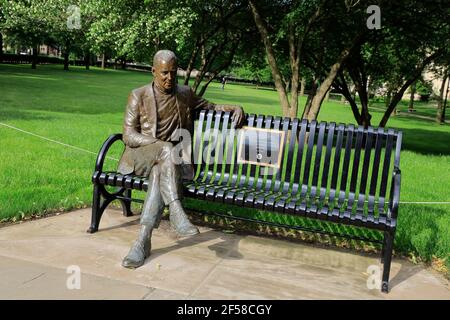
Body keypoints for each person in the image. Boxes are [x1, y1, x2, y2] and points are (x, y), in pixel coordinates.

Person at [117, 50, 245, 268]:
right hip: (142, 155)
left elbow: (211, 107)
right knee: (165, 151)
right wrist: (156, 145)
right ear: (153, 71)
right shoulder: (138, 95)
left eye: (173, 73)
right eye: (164, 73)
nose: (169, 78)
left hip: (171, 164)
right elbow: (128, 135)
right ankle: (176, 210)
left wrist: (233, 107)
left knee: (161, 168)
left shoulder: (184, 93)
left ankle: (142, 241)